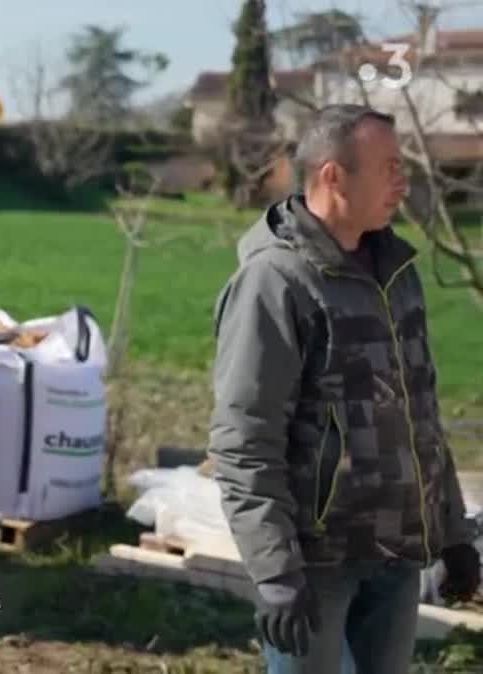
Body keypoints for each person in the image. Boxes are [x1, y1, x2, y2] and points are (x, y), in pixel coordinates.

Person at [207, 103, 481, 674]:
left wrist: (451, 532)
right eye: (389, 166)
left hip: (397, 557)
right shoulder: (276, 281)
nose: (403, 180)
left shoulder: (396, 272)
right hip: (316, 565)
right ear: (334, 176)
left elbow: (420, 413)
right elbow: (244, 441)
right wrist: (276, 571)